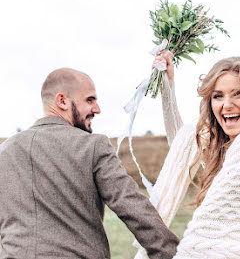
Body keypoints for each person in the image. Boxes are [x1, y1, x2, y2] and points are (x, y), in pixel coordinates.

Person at [0, 68, 179, 259]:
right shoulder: (93, 146)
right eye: (89, 100)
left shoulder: (5, 151)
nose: (97, 109)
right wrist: (173, 254)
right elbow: (132, 206)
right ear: (62, 101)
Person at [134, 52, 240, 259]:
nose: (227, 104)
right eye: (218, 96)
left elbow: (209, 232)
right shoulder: (229, 147)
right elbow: (183, 144)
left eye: (238, 93)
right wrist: (167, 86)